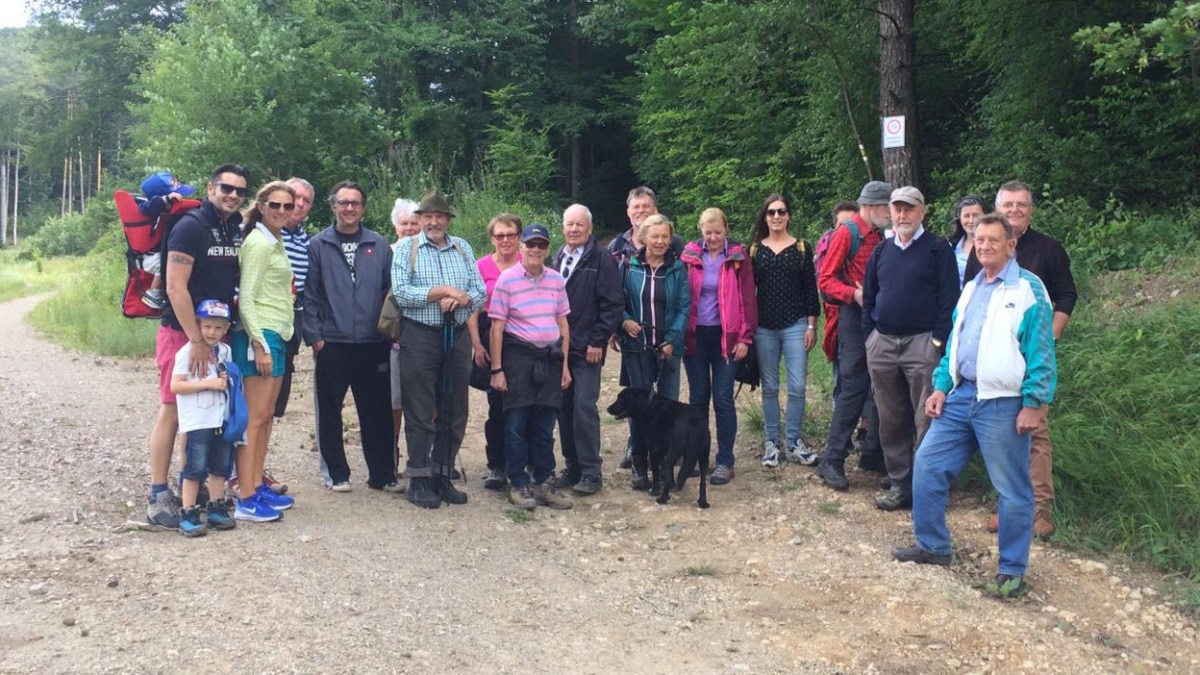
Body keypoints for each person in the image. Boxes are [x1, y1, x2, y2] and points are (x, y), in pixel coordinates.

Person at [893, 213, 1057, 600]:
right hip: (961, 395)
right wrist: (941, 387)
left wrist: (1034, 403)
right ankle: (932, 546)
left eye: (993, 241)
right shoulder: (971, 288)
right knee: (929, 463)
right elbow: (955, 344)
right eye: (979, 240)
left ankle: (1012, 571)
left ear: (1011, 245)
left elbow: (1042, 353)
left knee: (1012, 488)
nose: (984, 247)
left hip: (1002, 401)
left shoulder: (1028, 291)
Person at [964, 181, 1076, 537]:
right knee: (1000, 435)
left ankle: (1040, 511)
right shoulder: (983, 245)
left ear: (1030, 210)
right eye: (1008, 204)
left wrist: (1051, 334)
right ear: (997, 208)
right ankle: (1009, 506)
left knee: (1036, 432)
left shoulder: (1048, 249)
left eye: (1021, 205)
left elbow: (1066, 294)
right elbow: (970, 298)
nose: (1014, 210)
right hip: (992, 360)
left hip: (1031, 356)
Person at [144, 163, 248, 530]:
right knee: (172, 410)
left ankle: (194, 485)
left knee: (200, 415)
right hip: (181, 332)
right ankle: (158, 493)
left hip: (213, 336)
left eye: (239, 190)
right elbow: (175, 287)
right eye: (226, 187)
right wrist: (194, 340)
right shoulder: (191, 227)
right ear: (210, 188)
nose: (233, 194)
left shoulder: (230, 227)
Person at [861, 187, 959, 510]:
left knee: (925, 417)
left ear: (922, 212)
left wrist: (938, 341)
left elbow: (950, 299)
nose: (902, 215)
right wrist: (870, 337)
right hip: (884, 343)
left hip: (923, 342)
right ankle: (900, 484)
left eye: (908, 209)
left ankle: (926, 486)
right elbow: (870, 298)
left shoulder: (937, 249)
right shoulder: (881, 251)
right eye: (897, 209)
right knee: (890, 416)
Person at [303, 181, 399, 494]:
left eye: (355, 203)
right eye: (343, 203)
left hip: (373, 344)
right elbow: (310, 294)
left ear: (363, 208)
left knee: (377, 411)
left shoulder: (379, 244)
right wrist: (315, 337)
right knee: (330, 410)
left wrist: (389, 332)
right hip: (333, 342)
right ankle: (336, 473)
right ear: (333, 206)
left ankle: (382, 474)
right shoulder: (318, 244)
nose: (349, 208)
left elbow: (390, 292)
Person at [392, 189, 486, 508]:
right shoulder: (407, 248)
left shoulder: (462, 247)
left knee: (455, 406)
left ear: (447, 219)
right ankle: (418, 479)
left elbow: (479, 290)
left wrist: (462, 298)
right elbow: (402, 293)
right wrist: (442, 291)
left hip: (456, 334)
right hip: (420, 335)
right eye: (427, 216)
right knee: (419, 408)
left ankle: (442, 473)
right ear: (419, 220)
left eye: (439, 216)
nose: (433, 221)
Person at [489, 223, 575, 510]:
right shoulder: (507, 279)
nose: (536, 250)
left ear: (548, 249)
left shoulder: (555, 279)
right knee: (515, 425)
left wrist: (564, 366)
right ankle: (519, 483)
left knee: (544, 425)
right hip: (518, 359)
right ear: (522, 246)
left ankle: (544, 481)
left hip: (549, 360)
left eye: (542, 245)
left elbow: (563, 323)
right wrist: (497, 369)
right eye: (531, 244)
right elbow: (497, 327)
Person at [228, 181, 299, 521]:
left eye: (288, 206)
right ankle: (245, 495)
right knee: (254, 420)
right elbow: (247, 297)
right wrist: (258, 343)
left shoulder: (275, 239)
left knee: (266, 416)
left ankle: (256, 484)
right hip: (261, 335)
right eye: (275, 205)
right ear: (262, 204)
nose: (282, 211)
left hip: (277, 333)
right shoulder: (257, 242)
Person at [815, 180, 890, 491]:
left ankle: (873, 453)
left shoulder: (882, 235)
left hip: (879, 316)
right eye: (888, 206)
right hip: (853, 315)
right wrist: (853, 295)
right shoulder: (848, 233)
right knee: (853, 388)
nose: (892, 213)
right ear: (872, 206)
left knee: (883, 384)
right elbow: (825, 279)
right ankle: (831, 460)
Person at [680, 207, 758, 486]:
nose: (713, 237)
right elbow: (680, 295)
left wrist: (746, 338)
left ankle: (725, 460)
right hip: (695, 336)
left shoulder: (737, 257)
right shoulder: (688, 257)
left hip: (728, 337)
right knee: (698, 399)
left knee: (723, 399)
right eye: (708, 232)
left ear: (726, 229)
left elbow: (748, 297)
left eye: (718, 232)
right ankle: (697, 455)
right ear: (700, 230)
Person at [609, 186, 682, 471]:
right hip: (635, 339)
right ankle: (637, 452)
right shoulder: (618, 249)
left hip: (667, 340)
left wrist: (675, 336)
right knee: (637, 398)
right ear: (628, 211)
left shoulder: (675, 247)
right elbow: (614, 294)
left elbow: (683, 301)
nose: (641, 211)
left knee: (666, 400)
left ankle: (666, 454)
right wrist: (617, 325)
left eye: (646, 206)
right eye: (635, 207)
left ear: (655, 209)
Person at [552, 204, 623, 495]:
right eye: (569, 224)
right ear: (563, 227)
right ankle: (573, 466)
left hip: (587, 348)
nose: (574, 229)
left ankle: (592, 471)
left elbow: (612, 305)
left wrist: (598, 340)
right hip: (560, 349)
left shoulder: (602, 259)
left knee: (584, 408)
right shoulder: (558, 256)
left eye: (579, 225)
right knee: (563, 409)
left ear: (590, 228)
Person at [748, 194, 820, 479]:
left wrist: (812, 326)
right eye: (771, 212)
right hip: (764, 327)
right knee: (769, 386)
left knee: (798, 385)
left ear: (789, 215)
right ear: (764, 217)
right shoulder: (754, 250)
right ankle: (771, 442)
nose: (776, 217)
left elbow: (809, 289)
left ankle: (793, 441)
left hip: (795, 324)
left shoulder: (801, 248)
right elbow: (746, 292)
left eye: (781, 211)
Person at [618, 214, 689, 490]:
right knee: (639, 408)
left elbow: (684, 307)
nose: (660, 242)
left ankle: (664, 466)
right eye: (655, 236)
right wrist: (624, 320)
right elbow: (618, 300)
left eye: (665, 237)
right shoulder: (628, 266)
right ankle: (639, 464)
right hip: (637, 348)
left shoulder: (678, 268)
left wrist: (672, 339)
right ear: (643, 237)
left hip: (668, 348)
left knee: (667, 409)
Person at [170, 299, 238, 536]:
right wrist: (207, 384)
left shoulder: (226, 352)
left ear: (226, 329)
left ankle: (216, 508)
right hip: (198, 420)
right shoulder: (186, 352)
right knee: (194, 468)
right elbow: (175, 385)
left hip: (220, 419)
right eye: (207, 326)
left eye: (218, 327)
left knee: (220, 466)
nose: (212, 332)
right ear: (198, 325)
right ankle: (188, 513)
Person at [466, 214, 524, 491]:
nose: (505, 240)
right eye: (499, 235)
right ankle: (497, 465)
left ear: (519, 237)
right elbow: (472, 309)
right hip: (491, 335)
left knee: (526, 403)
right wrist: (477, 344)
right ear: (492, 239)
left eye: (510, 234)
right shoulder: (481, 267)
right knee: (497, 405)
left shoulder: (529, 263)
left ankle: (524, 463)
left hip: (523, 338)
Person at [272, 177, 315, 424]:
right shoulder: (263, 232)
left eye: (305, 201)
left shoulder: (304, 240)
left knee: (276, 401)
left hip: (291, 319)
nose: (298, 204)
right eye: (293, 197)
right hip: (263, 319)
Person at [388, 197, 421, 465]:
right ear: (395, 225)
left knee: (425, 400)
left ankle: (423, 454)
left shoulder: (431, 254)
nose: (409, 228)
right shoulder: (386, 252)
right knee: (394, 400)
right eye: (404, 223)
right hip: (394, 338)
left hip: (424, 337)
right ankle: (391, 453)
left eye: (414, 223)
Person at [136, 171, 197, 309]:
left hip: (159, 254)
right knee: (163, 261)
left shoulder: (174, 215)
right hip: (148, 258)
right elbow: (146, 208)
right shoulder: (148, 208)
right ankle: (153, 294)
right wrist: (165, 200)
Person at [949, 195, 986, 288]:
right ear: (959, 218)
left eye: (976, 215)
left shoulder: (994, 246)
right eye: (966, 216)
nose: (971, 220)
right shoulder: (951, 247)